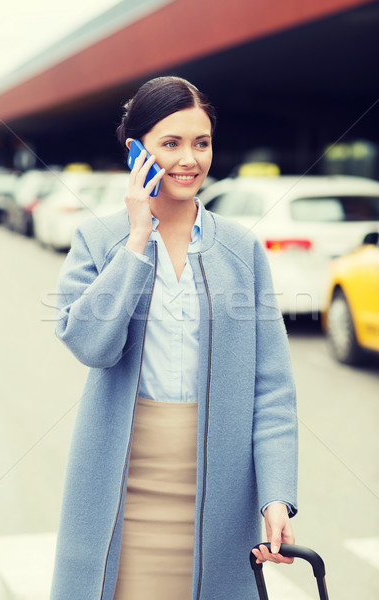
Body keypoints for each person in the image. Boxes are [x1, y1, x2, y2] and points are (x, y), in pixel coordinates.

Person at [50, 76, 298, 600]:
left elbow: (271, 389)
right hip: (122, 483)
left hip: (220, 488)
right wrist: (138, 237)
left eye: (201, 142)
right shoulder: (99, 240)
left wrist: (277, 495)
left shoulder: (242, 250)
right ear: (136, 151)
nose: (190, 159)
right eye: (171, 143)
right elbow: (91, 345)